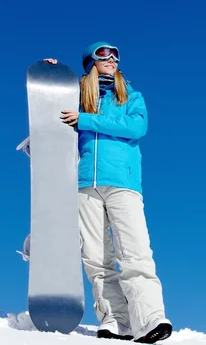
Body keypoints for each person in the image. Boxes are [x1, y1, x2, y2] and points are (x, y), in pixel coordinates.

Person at [44, 42, 172, 342]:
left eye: (115, 55)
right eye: (104, 55)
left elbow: (136, 126)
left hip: (123, 183)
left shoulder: (129, 95)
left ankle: (150, 318)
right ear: (91, 61)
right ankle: (115, 320)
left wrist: (88, 120)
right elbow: (49, 111)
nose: (112, 59)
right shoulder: (76, 95)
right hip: (84, 183)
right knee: (96, 257)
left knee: (135, 252)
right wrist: (52, 75)